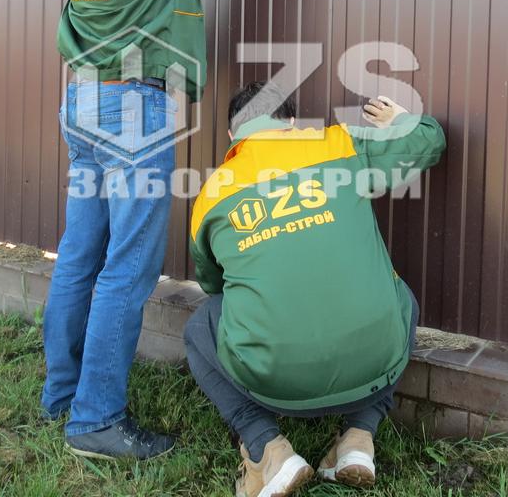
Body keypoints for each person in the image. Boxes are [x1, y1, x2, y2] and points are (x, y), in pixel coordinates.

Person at [41, 0, 290, 461]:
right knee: (128, 266)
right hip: (133, 111)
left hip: (83, 102)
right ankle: (95, 420)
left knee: (80, 254)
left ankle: (62, 394)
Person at [184, 82, 446, 497]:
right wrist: (399, 120)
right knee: (400, 301)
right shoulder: (339, 144)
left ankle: (267, 448)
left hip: (273, 379)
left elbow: (213, 284)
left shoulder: (211, 193)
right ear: (290, 121)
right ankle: (359, 436)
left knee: (200, 328)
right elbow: (429, 140)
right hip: (372, 360)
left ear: (233, 135)